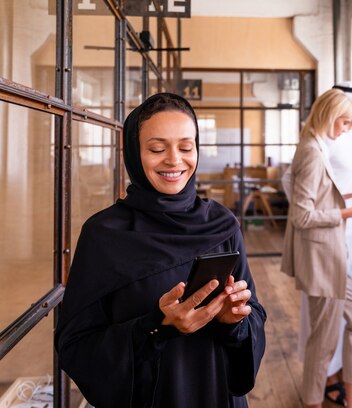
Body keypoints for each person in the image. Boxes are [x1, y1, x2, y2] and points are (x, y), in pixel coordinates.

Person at [55, 93, 266, 408]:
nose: (174, 160)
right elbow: (75, 345)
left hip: (217, 394)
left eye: (185, 147)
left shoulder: (221, 223)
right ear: (133, 154)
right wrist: (155, 327)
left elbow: (256, 315)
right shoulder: (104, 235)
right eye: (157, 148)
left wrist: (234, 321)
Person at [281, 88, 352, 408]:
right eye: (346, 122)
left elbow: (322, 197)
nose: (348, 128)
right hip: (322, 260)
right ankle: (313, 402)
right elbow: (302, 215)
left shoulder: (318, 146)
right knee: (322, 345)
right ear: (330, 116)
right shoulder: (312, 150)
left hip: (331, 258)